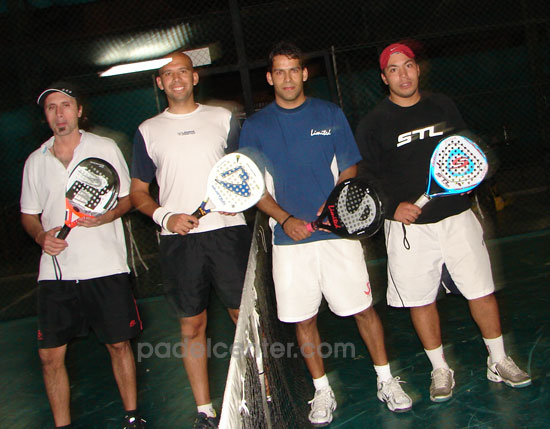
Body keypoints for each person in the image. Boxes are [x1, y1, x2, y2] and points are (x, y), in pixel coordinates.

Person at [239, 41, 413, 427]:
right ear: (270, 78)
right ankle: (322, 391)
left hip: (337, 236)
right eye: (279, 71)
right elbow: (253, 186)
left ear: (304, 74)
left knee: (363, 310)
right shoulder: (255, 127)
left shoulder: (329, 114)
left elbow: (348, 167)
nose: (287, 78)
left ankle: (386, 380)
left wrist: (335, 204)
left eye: (293, 70)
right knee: (303, 319)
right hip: (290, 242)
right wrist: (285, 219)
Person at [355, 42, 531, 403]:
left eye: (408, 66)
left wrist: (465, 177)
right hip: (408, 230)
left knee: (481, 290)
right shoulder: (373, 123)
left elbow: (464, 151)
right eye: (393, 69)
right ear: (384, 78)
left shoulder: (443, 106)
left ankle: (498, 360)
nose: (403, 75)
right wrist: (391, 208)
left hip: (457, 218)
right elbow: (366, 179)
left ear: (417, 69)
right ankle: (440, 368)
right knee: (421, 301)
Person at [130, 52, 250, 429]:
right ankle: (204, 411)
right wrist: (166, 216)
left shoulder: (223, 118)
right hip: (179, 241)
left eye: (183, 71)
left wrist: (238, 200)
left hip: (228, 232)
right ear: (159, 83)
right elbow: (138, 192)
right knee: (191, 326)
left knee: (243, 318)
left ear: (195, 77)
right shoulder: (147, 130)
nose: (176, 78)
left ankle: (259, 389)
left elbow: (246, 169)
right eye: (168, 74)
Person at [20, 82, 145, 428]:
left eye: (65, 105)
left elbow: (129, 197)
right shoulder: (35, 161)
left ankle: (132, 417)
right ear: (46, 116)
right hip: (55, 273)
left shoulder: (104, 148)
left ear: (78, 111)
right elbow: (28, 214)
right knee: (49, 356)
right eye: (51, 108)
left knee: (119, 345)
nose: (59, 114)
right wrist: (41, 236)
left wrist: (107, 216)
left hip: (105, 266)